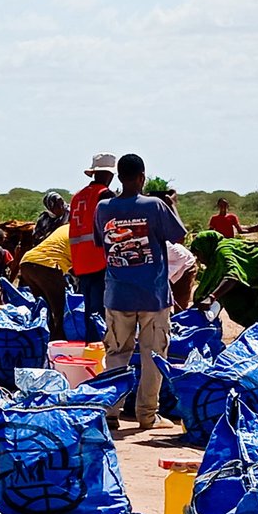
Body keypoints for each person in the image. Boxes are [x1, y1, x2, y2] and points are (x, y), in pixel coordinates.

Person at [93, 153, 187, 429]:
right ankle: (147, 415)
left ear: (119, 177)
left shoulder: (104, 208)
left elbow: (102, 243)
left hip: (117, 295)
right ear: (142, 177)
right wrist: (172, 205)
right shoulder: (155, 206)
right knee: (153, 355)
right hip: (153, 297)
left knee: (116, 354)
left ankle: (111, 412)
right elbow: (178, 236)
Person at [190, 231, 258, 327]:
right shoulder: (220, 251)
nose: (199, 259)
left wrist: (211, 298)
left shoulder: (223, 251)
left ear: (206, 248)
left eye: (199, 254)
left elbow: (232, 276)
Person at [70, 153, 118, 339]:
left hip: (80, 262)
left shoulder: (77, 197)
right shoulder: (105, 195)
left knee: (89, 310)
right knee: (101, 313)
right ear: (110, 174)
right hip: (99, 260)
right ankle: (99, 352)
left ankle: (90, 348)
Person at [19, 223, 72, 340]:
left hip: (27, 263)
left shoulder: (65, 228)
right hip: (47, 265)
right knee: (60, 308)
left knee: (45, 307)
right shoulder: (80, 232)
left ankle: (45, 338)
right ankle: (59, 339)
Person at [166, 241, 198, 311]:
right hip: (172, 270)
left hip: (186, 266)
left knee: (181, 300)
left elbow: (181, 257)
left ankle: (181, 318)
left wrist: (165, 276)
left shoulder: (167, 246)